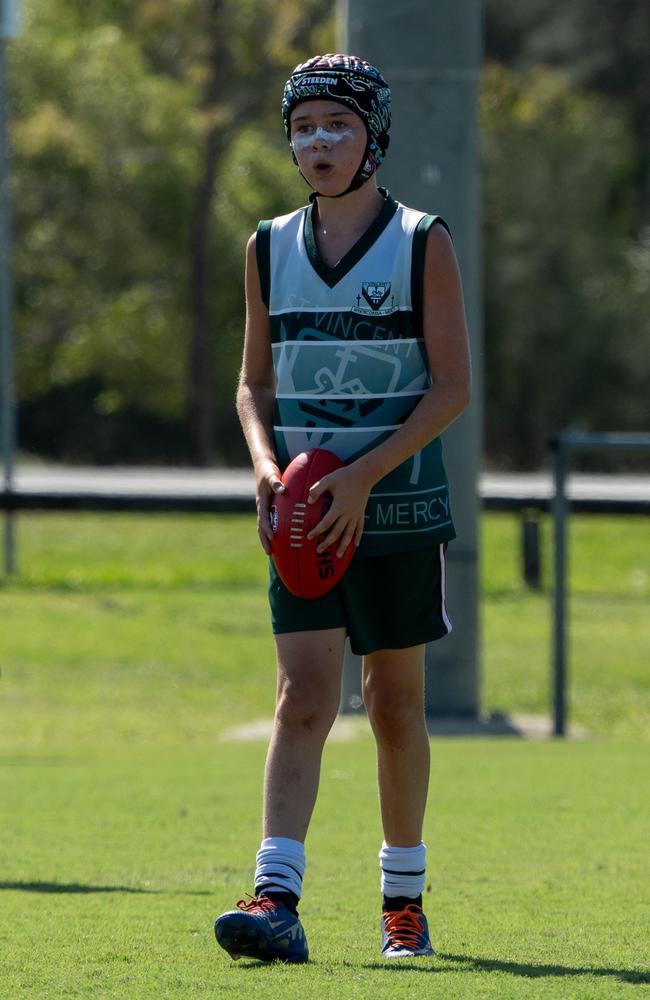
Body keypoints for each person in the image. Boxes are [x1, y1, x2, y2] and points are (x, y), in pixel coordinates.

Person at [214, 53, 471, 963]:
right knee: (301, 696)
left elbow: (450, 389)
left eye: (337, 125)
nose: (318, 142)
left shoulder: (419, 241)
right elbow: (252, 386)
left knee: (394, 705)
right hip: (299, 520)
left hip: (394, 509)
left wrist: (361, 477)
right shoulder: (266, 244)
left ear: (374, 137)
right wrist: (263, 465)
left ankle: (403, 900)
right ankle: (275, 898)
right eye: (303, 127)